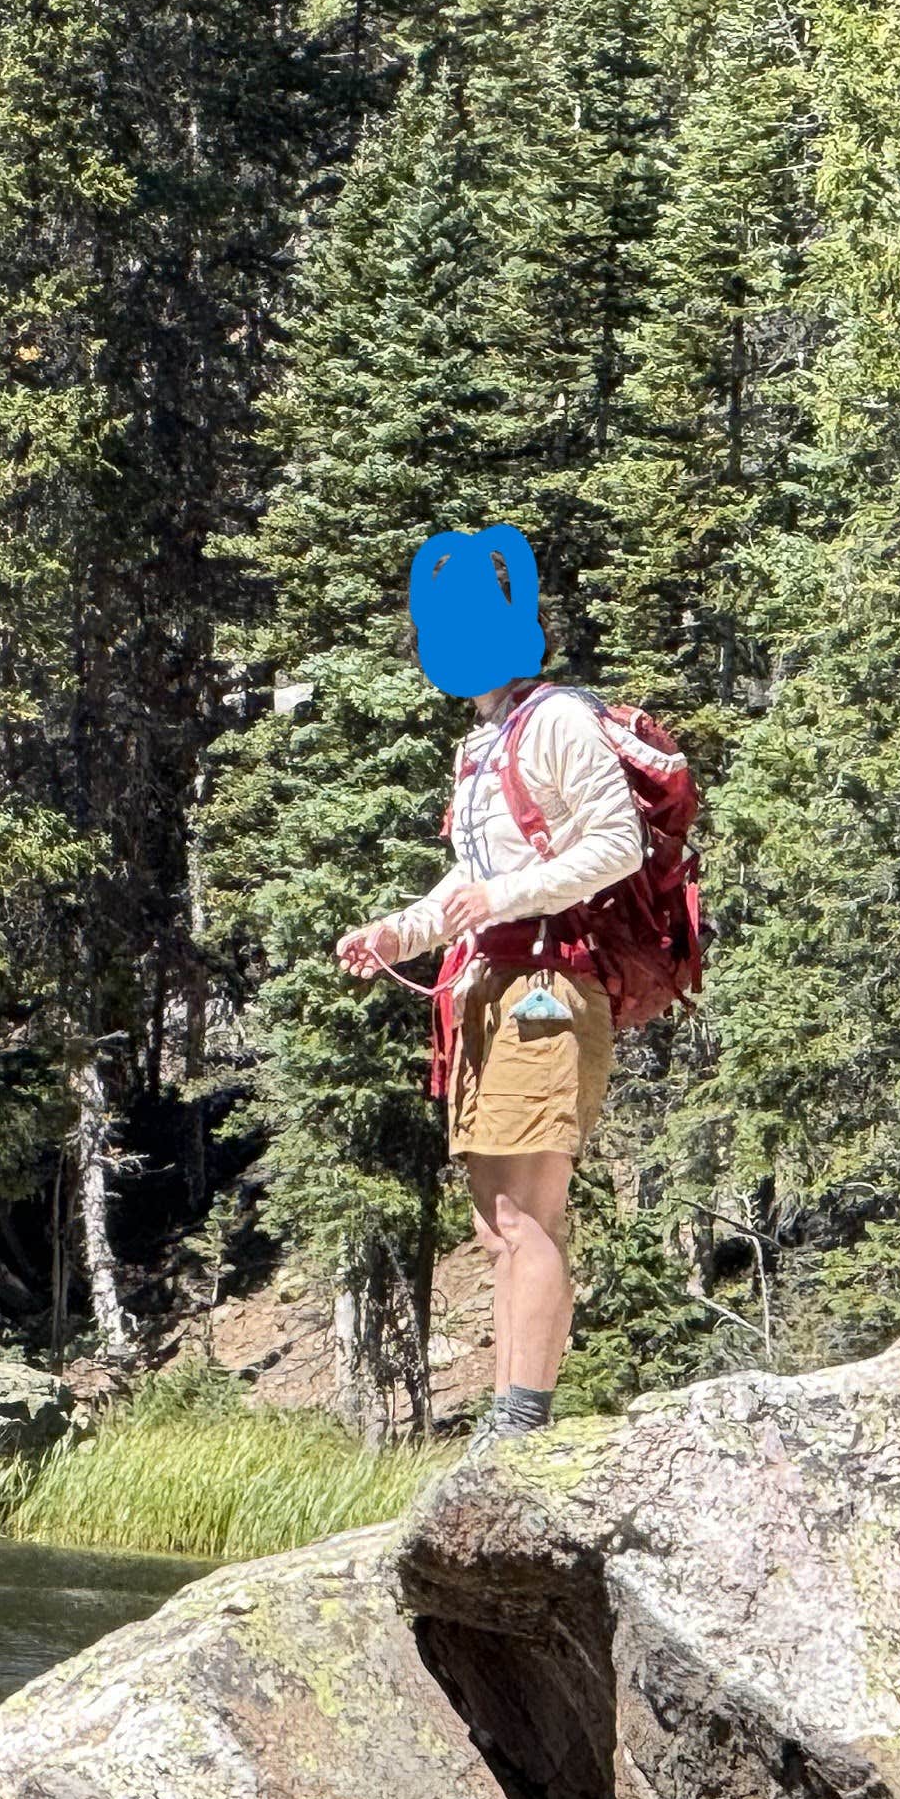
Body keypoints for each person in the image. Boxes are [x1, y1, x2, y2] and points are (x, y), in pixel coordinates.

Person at [328, 526, 640, 1450]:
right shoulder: (481, 744)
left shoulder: (558, 722)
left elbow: (614, 845)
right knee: (496, 1221)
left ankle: (520, 1421)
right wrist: (400, 931)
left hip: (550, 986)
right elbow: (465, 883)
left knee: (531, 1210)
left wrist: (497, 896)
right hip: (484, 986)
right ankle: (508, 1423)